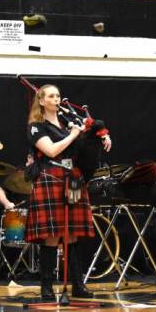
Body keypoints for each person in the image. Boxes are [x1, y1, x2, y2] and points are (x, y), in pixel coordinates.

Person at [25, 84, 110, 300]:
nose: (56, 99)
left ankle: (78, 285)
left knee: (72, 233)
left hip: (72, 178)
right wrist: (73, 135)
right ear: (42, 101)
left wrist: (101, 137)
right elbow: (51, 150)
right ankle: (47, 287)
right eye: (51, 96)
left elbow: (84, 142)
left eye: (58, 95)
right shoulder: (36, 126)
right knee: (52, 235)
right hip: (50, 178)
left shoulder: (66, 123)